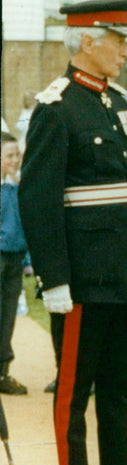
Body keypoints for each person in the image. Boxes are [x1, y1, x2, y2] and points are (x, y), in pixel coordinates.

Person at [17, 0, 127, 465]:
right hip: (82, 276)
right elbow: (38, 201)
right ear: (87, 41)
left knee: (116, 390)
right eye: (118, 40)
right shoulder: (55, 108)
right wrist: (53, 278)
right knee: (74, 394)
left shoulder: (121, 104)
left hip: (126, 270)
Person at [0, 132, 28, 394]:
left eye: (17, 154)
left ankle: (2, 374)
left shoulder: (16, 188)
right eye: (9, 155)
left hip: (14, 259)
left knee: (8, 316)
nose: (15, 160)